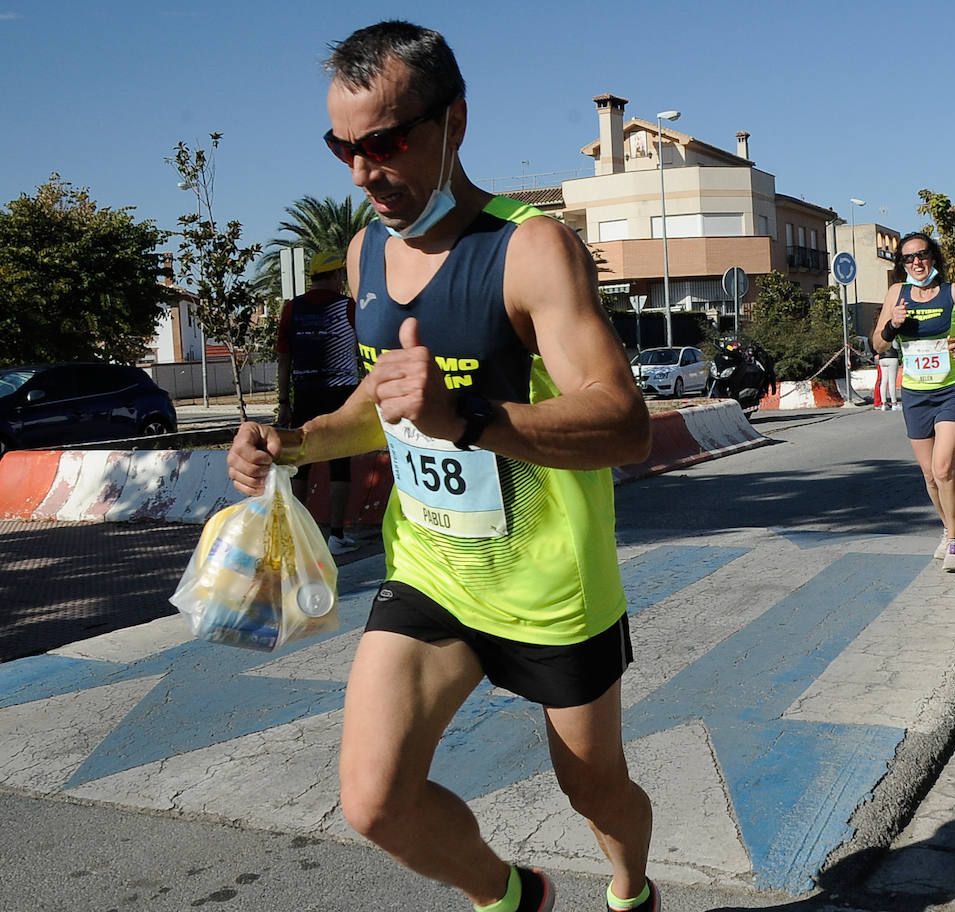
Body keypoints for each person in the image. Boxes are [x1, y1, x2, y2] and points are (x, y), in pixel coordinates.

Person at [226, 21, 657, 912]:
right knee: (373, 801)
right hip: (432, 574)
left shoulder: (530, 250)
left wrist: (464, 417)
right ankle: (510, 899)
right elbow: (373, 412)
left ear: (453, 120)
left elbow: (624, 425)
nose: (360, 172)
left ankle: (630, 892)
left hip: (553, 591)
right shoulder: (365, 254)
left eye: (384, 142)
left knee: (595, 790)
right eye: (342, 147)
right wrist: (293, 445)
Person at [871, 231, 955, 572]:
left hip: (952, 390)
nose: (916, 262)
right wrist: (892, 327)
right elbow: (877, 345)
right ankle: (949, 527)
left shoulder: (953, 292)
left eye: (922, 255)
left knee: (944, 468)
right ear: (902, 265)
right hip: (915, 394)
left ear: (934, 257)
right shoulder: (896, 294)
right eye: (909, 258)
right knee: (929, 475)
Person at [277, 250, 361, 555]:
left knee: (302, 462)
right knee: (341, 463)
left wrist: (283, 400)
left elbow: (283, 358)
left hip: (305, 391)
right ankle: (336, 535)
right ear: (336, 276)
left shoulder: (292, 309)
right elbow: (362, 347)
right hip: (342, 393)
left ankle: (299, 535)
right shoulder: (348, 307)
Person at [876, 328, 901, 411]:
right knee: (892, 382)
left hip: (882, 359)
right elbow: (896, 346)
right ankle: (894, 403)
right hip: (892, 357)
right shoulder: (892, 337)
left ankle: (884, 403)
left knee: (884, 381)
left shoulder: (880, 337)